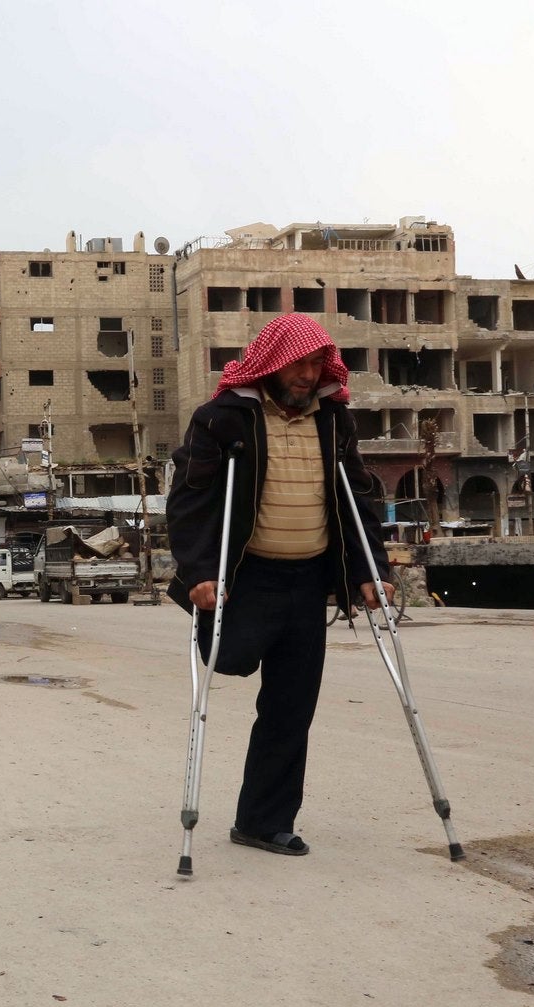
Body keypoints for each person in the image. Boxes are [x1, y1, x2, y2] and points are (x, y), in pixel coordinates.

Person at [166, 313, 394, 859]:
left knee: (291, 706)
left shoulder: (334, 421)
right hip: (247, 577)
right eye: (299, 363)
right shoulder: (222, 419)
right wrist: (199, 573)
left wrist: (369, 569)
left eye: (317, 364)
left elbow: (356, 497)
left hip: (307, 580)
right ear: (272, 362)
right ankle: (214, 632)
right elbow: (191, 501)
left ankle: (263, 821)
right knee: (229, 658)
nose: (308, 374)